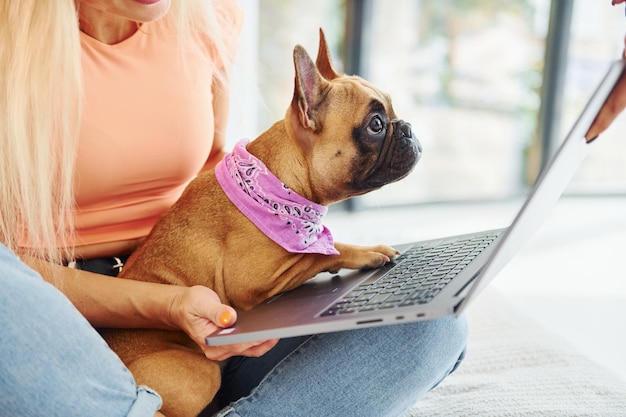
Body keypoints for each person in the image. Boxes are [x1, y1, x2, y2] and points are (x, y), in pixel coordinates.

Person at [0, 1, 467, 416]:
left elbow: (213, 179)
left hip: (207, 302)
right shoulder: (9, 41)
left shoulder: (207, 16)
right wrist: (169, 303)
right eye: (375, 127)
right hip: (56, 305)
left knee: (431, 326)